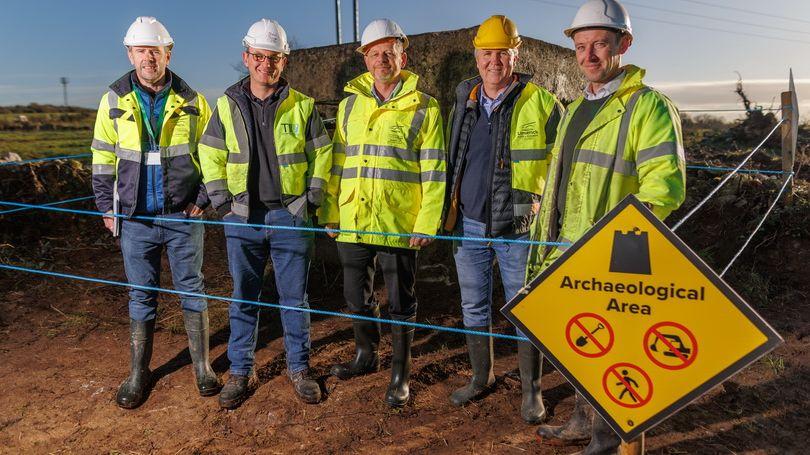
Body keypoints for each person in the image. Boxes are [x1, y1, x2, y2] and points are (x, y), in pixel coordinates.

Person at [527, 1, 686, 453]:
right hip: (566, 251)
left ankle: (607, 439)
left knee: (615, 353)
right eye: (580, 46)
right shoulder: (575, 108)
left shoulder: (648, 107)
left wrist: (616, 245)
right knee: (582, 344)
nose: (589, 55)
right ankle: (582, 418)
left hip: (614, 259)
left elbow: (664, 191)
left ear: (624, 44)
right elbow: (561, 185)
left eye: (599, 44)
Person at [198, 19, 332, 408]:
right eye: (258, 56)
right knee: (244, 298)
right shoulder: (226, 105)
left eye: (273, 58)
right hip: (242, 217)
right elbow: (209, 152)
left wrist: (312, 199)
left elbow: (323, 152)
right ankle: (241, 372)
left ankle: (300, 369)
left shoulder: (302, 104)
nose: (265, 64)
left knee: (295, 299)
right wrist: (222, 202)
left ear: (283, 61)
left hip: (289, 216)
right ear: (246, 57)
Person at [90, 16, 217, 409]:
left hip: (182, 216)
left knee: (191, 290)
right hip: (135, 219)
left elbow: (212, 155)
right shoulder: (113, 100)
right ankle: (137, 373)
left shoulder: (194, 100)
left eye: (155, 50)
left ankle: (203, 368)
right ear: (130, 53)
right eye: (141, 50)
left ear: (168, 52)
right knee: (140, 295)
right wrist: (106, 206)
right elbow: (101, 157)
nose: (148, 57)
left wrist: (204, 197)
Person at [319, 19, 446, 407]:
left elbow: (434, 170)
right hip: (353, 220)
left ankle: (400, 372)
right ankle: (365, 354)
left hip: (398, 223)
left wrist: (427, 223)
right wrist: (330, 211)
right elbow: (337, 162)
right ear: (365, 59)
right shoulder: (348, 106)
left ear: (402, 57)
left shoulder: (425, 107)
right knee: (354, 295)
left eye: (388, 52)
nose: (381, 59)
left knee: (400, 300)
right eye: (374, 53)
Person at [443, 15, 562, 423]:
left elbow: (561, 171)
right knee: (474, 307)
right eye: (487, 53)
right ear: (476, 56)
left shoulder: (542, 103)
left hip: (518, 228)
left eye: (502, 53)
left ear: (516, 55)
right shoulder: (464, 100)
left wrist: (550, 219)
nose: (494, 61)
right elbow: (453, 160)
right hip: (469, 225)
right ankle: (482, 377)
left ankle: (532, 391)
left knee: (525, 308)